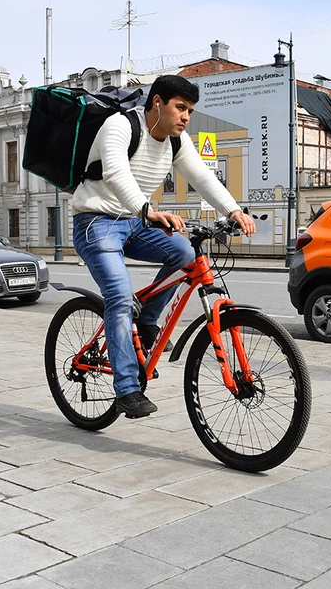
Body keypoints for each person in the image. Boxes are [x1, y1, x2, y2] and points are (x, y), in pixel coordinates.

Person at [70, 75, 256, 418]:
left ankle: (148, 322)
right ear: (157, 102)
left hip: (135, 221)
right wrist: (147, 210)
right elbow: (115, 173)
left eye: (190, 111)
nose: (186, 117)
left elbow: (202, 177)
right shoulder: (120, 126)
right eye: (180, 108)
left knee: (184, 253)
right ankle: (127, 388)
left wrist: (233, 210)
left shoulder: (176, 141)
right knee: (120, 296)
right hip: (96, 222)